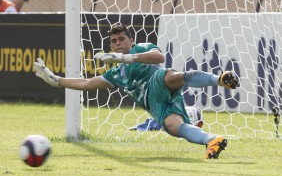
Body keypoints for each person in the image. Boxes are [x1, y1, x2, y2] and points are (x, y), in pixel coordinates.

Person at [33, 23, 238, 159]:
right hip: (155, 106)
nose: (118, 44)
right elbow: (87, 84)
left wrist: (128, 58)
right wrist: (57, 81)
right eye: (113, 42)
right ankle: (212, 140)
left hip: (157, 82)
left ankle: (219, 79)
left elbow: (159, 58)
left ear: (130, 40)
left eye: (121, 39)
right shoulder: (116, 74)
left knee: (169, 76)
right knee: (175, 127)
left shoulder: (141, 48)